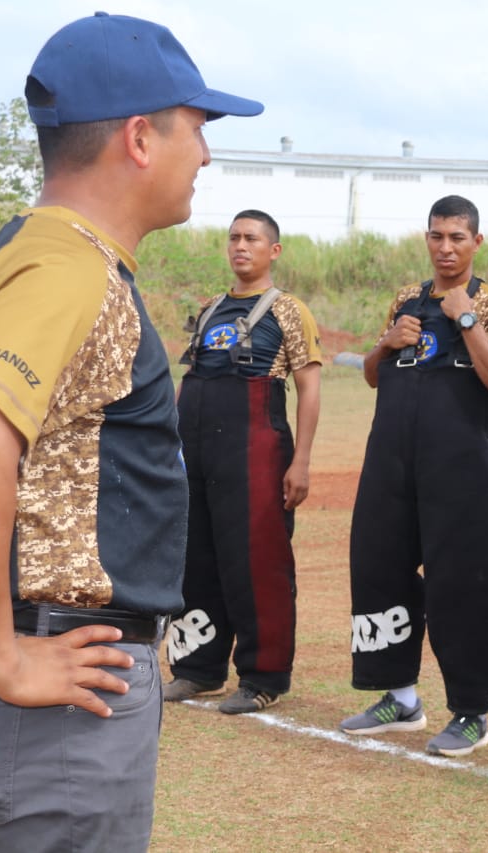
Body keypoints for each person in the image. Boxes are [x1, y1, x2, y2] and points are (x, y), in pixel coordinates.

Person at [0, 13, 261, 852]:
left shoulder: (41, 250)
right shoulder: (67, 265)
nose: (206, 154)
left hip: (49, 687)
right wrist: (5, 658)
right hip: (56, 697)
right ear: (140, 138)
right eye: (196, 128)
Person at [339, 195, 488, 756]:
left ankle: (471, 711)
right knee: (379, 569)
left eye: (457, 238)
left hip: (461, 466)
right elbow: (373, 375)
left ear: (476, 243)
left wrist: (464, 317)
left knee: (460, 583)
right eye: (437, 236)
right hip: (393, 459)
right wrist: (386, 342)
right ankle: (399, 697)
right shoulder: (406, 300)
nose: (446, 248)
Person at [162, 209, 322, 714]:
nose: (240, 246)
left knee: (256, 559)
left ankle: (262, 676)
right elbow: (191, 381)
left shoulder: (289, 310)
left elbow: (309, 387)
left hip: (255, 445)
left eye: (251, 238)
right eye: (234, 237)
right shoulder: (211, 308)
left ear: (273, 251)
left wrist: (301, 461)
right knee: (196, 556)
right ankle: (196, 669)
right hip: (197, 447)